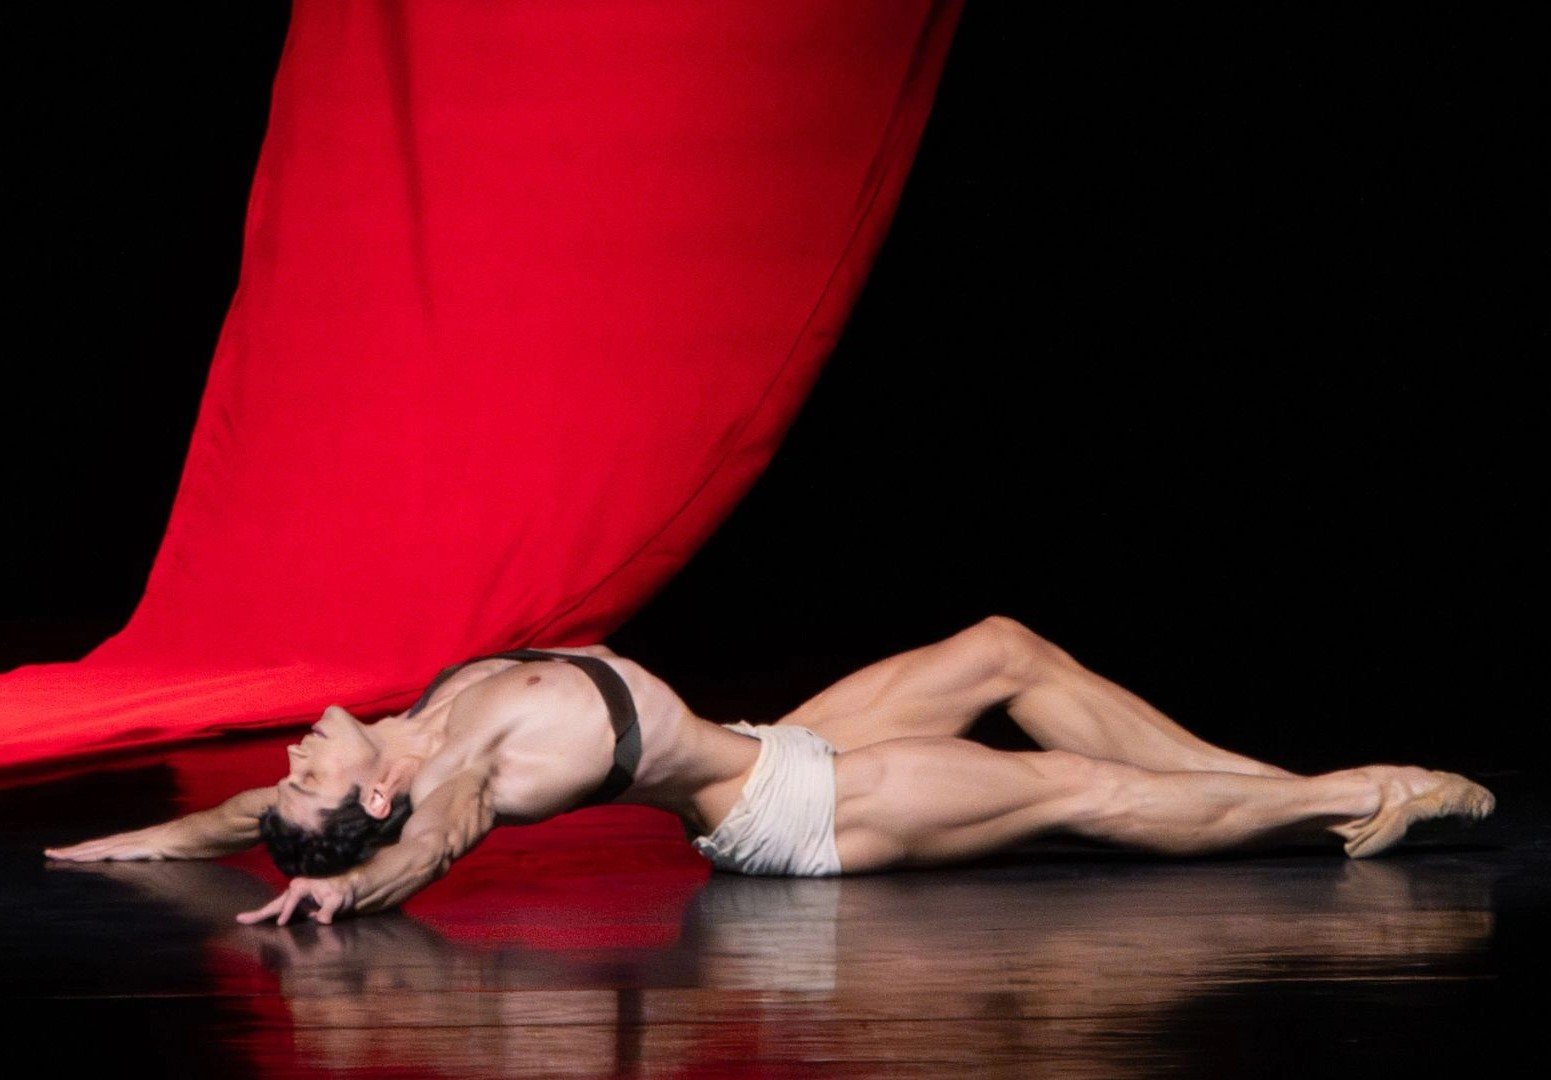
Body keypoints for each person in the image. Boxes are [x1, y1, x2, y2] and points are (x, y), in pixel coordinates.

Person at [43, 617, 1495, 925]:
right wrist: (353, 899)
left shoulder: (407, 730)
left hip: (783, 749)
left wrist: (145, 842)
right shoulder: (467, 771)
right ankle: (1359, 792)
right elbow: (436, 843)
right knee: (1080, 796)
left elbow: (251, 814)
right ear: (369, 805)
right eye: (309, 779)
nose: (292, 756)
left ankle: (1282, 777)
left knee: (1004, 648)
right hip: (807, 810)